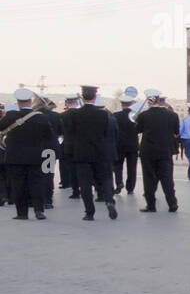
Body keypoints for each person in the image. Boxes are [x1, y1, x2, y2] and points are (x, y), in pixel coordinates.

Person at [62, 86, 118, 221]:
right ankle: (109, 200)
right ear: (95, 96)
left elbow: (69, 133)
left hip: (81, 152)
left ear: (82, 96)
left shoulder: (74, 114)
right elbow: (105, 132)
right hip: (100, 151)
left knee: (85, 183)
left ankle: (89, 212)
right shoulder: (103, 114)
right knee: (105, 179)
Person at [1, 88, 57, 220]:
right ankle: (39, 210)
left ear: (18, 102)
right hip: (35, 156)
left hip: (14, 157)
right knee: (36, 183)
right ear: (30, 101)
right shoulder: (41, 117)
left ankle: (22, 213)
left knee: (18, 184)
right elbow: (49, 136)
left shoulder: (11, 116)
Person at [136, 91, 180, 212]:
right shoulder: (172, 115)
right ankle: (172, 203)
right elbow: (176, 132)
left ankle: (151, 205)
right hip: (165, 150)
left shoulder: (143, 115)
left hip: (148, 151)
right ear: (159, 100)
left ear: (149, 101)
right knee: (167, 178)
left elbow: (137, 130)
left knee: (149, 178)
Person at [112, 90, 139, 194]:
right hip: (132, 145)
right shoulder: (135, 116)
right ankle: (130, 187)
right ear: (131, 104)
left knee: (117, 166)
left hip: (119, 145)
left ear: (121, 104)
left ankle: (119, 183)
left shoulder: (116, 115)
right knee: (132, 167)